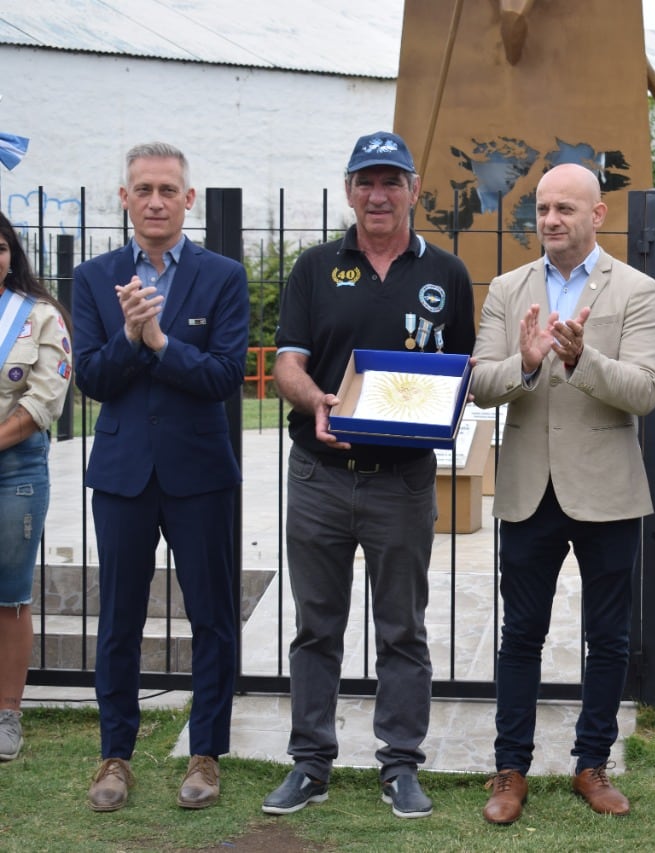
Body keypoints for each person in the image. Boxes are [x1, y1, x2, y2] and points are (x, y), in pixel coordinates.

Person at [264, 131, 475, 820]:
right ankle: (310, 762)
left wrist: (443, 406)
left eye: (391, 181)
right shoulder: (314, 268)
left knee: (402, 629)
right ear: (349, 189)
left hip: (403, 480)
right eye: (365, 181)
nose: (378, 194)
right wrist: (316, 398)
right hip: (321, 475)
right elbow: (286, 364)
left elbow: (462, 373)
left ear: (415, 188)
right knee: (316, 627)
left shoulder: (446, 272)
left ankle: (400, 765)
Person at [469, 162, 655, 825]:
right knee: (520, 634)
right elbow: (479, 383)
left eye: (565, 209)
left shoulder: (637, 290)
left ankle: (592, 763)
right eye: (543, 209)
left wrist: (582, 359)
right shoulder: (506, 288)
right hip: (528, 490)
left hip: (606, 491)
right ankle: (511, 768)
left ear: (597, 216)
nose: (550, 220)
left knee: (608, 639)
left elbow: (644, 390)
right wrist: (524, 363)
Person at [73, 142, 249, 811]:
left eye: (167, 190)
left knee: (212, 614)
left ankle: (205, 749)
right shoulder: (94, 278)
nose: (154, 201)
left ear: (188, 200)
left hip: (199, 472)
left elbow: (224, 376)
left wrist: (159, 343)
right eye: (142, 188)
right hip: (122, 473)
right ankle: (114, 754)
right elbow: (90, 377)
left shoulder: (222, 276)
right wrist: (127, 335)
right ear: (124, 197)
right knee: (119, 617)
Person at [0, 212, 73, 763]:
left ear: (12, 254)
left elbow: (44, 400)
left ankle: (7, 715)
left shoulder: (40, 317)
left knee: (9, 598)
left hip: (15, 469)